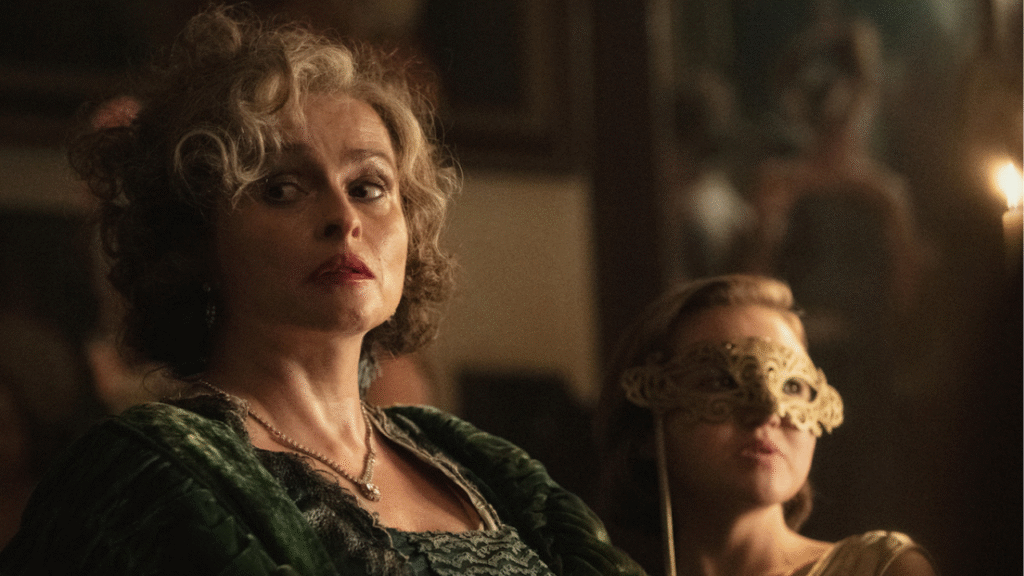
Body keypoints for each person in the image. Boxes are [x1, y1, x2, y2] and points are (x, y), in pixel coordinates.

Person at [0, 7, 643, 576]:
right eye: (282, 189)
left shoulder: (484, 466)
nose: (344, 217)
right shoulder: (147, 473)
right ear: (194, 237)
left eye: (369, 187)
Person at [593, 274, 936, 576]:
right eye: (721, 382)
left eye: (792, 386)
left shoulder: (882, 571)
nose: (769, 410)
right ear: (646, 425)